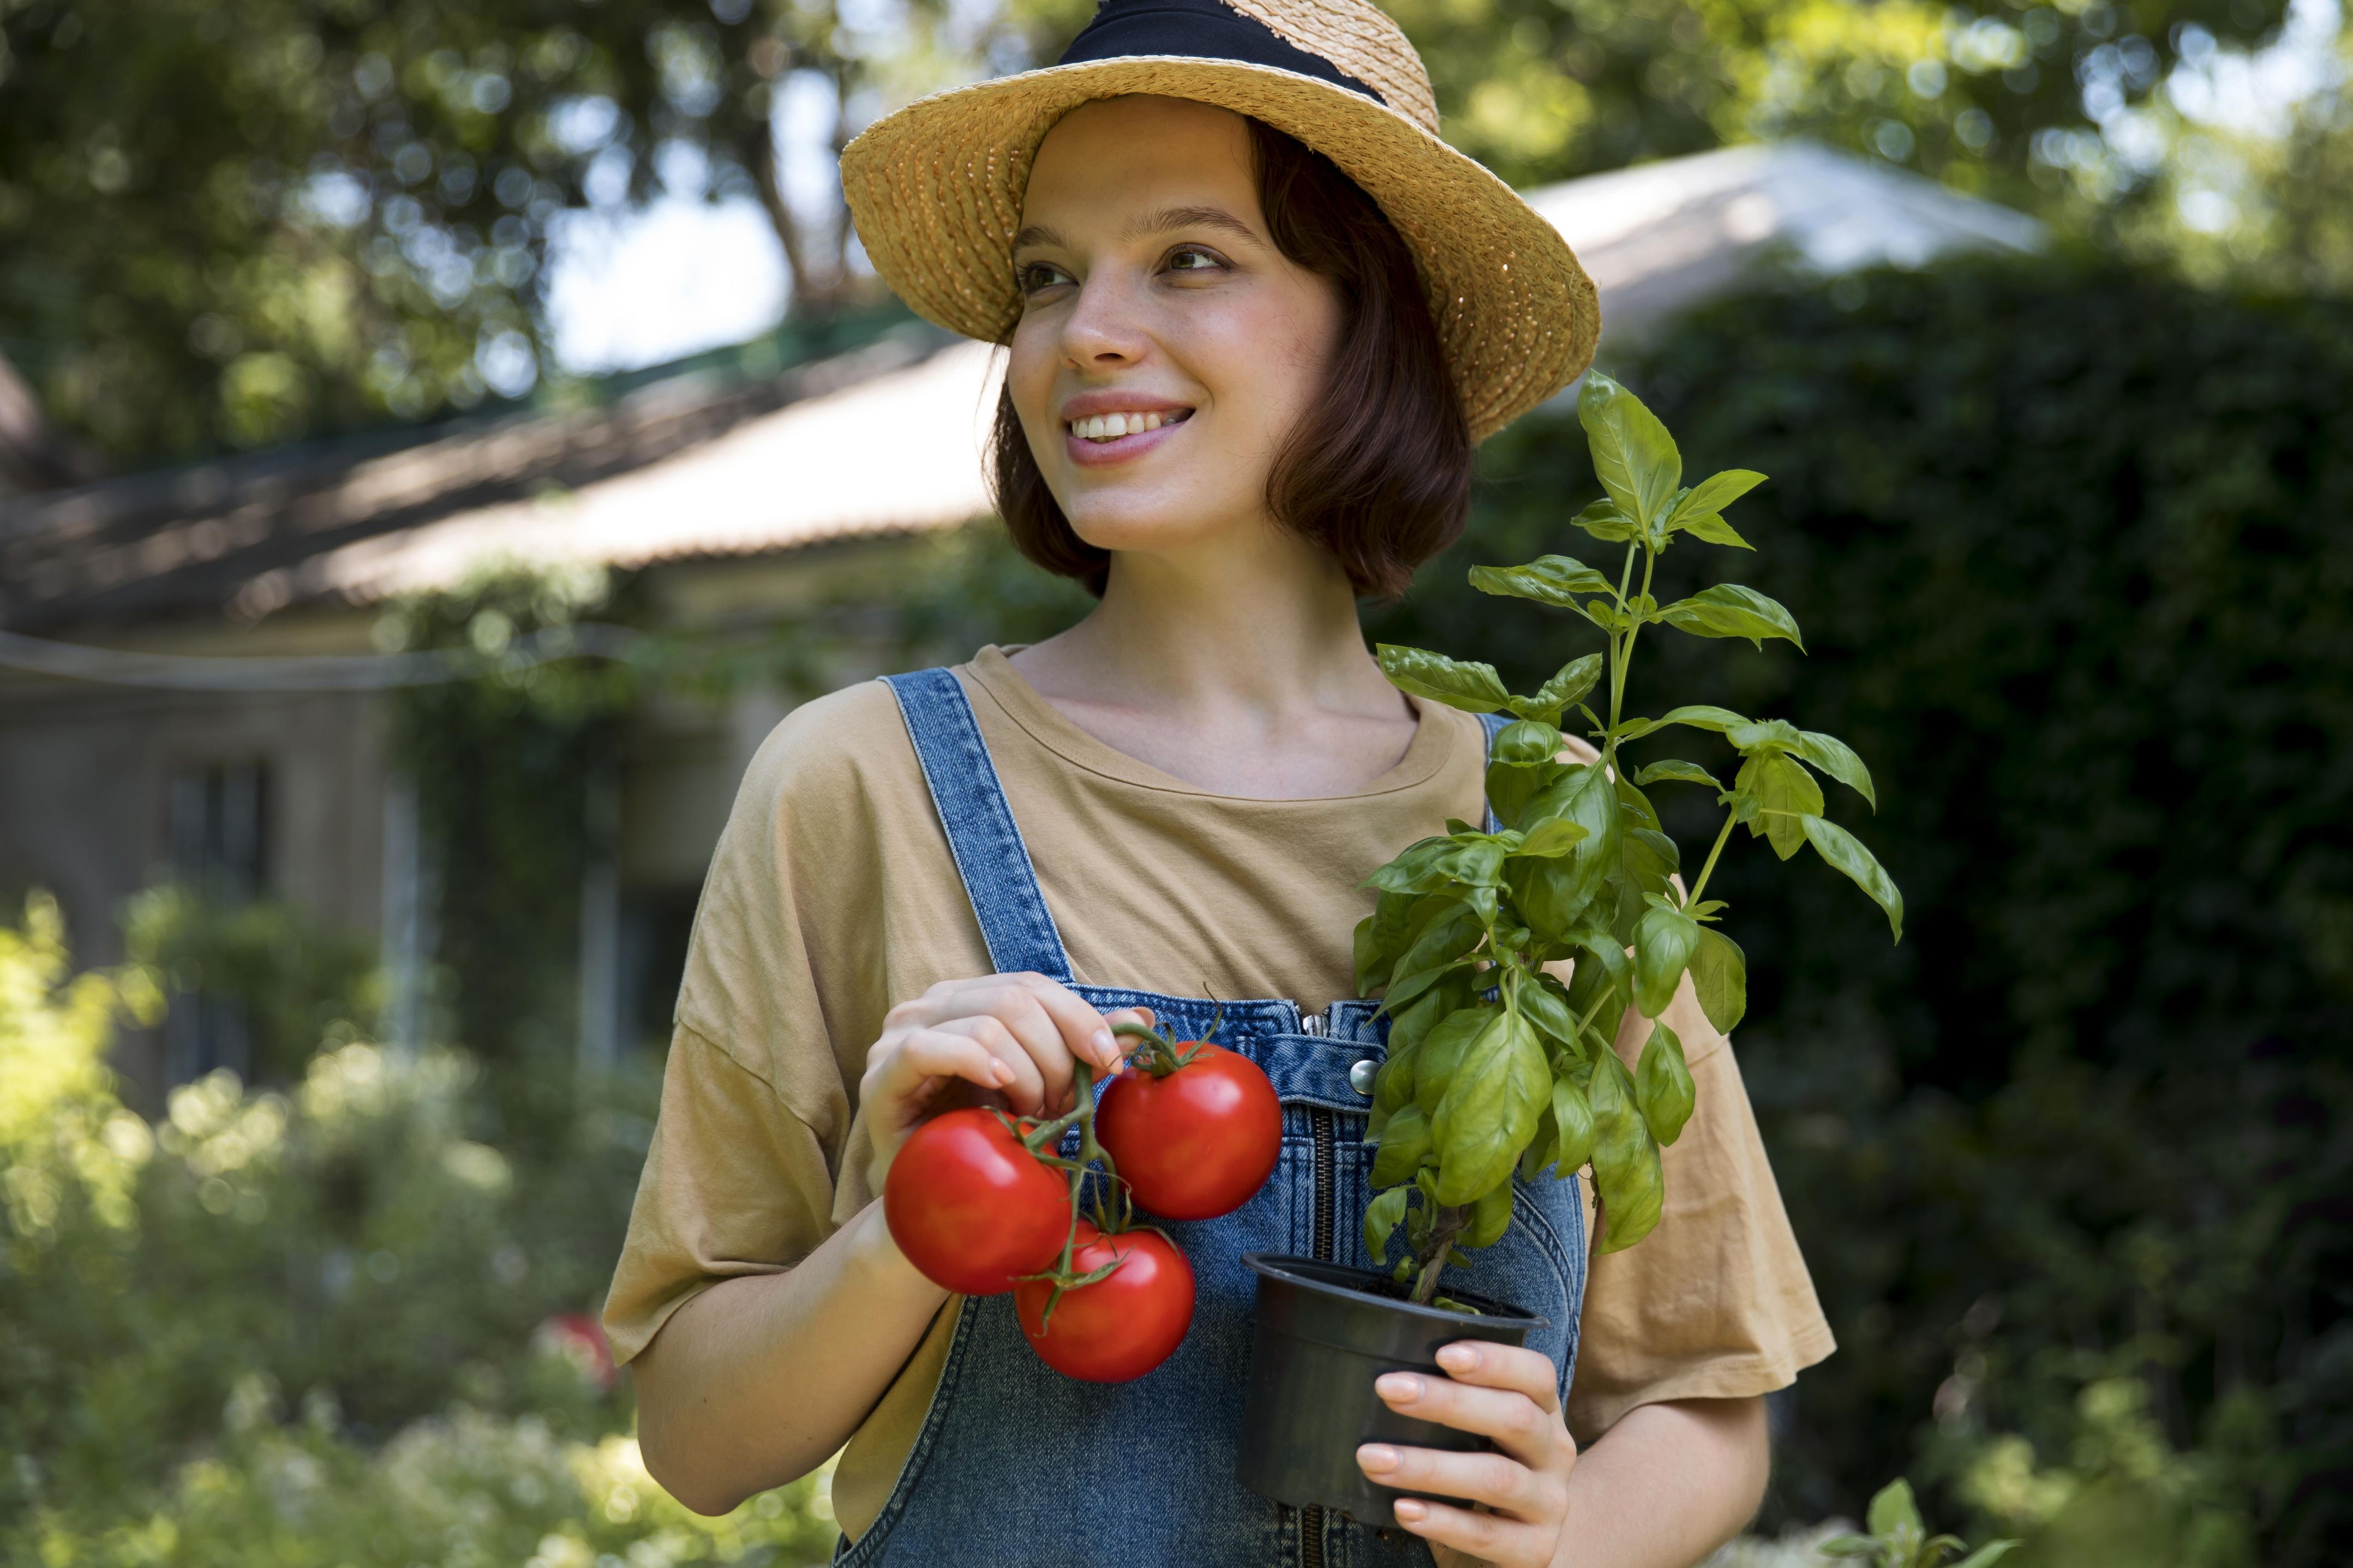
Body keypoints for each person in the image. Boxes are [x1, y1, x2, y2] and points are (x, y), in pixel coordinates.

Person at [602, 0, 1834, 1563]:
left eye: (1188, 257)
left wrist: (1568, 1528)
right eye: (1049, 275)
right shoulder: (858, 784)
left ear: (1369, 321)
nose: (1083, 331)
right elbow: (695, 1440)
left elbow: (1708, 1396)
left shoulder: (1554, 835)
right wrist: (908, 1225)